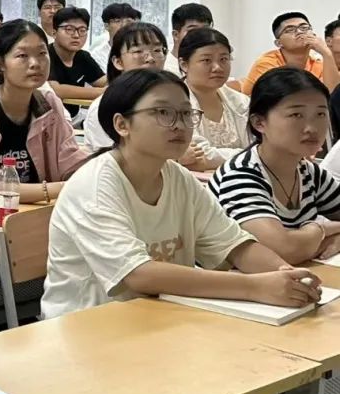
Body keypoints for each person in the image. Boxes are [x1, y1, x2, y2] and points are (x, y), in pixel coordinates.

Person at [41, 68, 320, 320]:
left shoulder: (177, 177)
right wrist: (254, 287)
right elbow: (137, 274)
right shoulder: (94, 184)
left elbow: (235, 245)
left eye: (186, 114)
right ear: (122, 125)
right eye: (163, 113)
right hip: (90, 328)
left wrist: (288, 276)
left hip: (161, 316)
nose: (179, 124)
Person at [209, 68, 340, 265]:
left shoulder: (309, 172)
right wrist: (320, 230)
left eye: (320, 114)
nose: (312, 128)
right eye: (296, 115)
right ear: (259, 122)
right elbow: (283, 251)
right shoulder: (240, 174)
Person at [0, 21, 88, 201]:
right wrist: (58, 189)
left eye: (42, 53)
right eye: (22, 56)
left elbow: (70, 162)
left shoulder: (49, 104)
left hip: (37, 210)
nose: (35, 63)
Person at [82, 22, 169, 152]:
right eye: (138, 51)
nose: (150, 58)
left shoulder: (171, 98)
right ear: (118, 62)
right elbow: (112, 158)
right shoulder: (105, 107)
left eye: (157, 50)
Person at [178, 28, 250, 168]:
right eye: (206, 60)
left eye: (223, 59)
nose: (217, 67)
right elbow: (197, 153)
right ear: (184, 64)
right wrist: (247, 155)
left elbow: (260, 148)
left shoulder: (241, 102)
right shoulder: (173, 103)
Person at [244, 12, 340, 93]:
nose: (299, 32)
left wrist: (326, 53)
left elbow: (333, 95)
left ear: (313, 34)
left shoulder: (317, 64)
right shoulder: (267, 63)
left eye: (304, 28)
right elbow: (283, 97)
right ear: (278, 43)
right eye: (290, 30)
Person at [46, 6, 106, 117]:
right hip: (47, 118)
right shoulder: (45, 55)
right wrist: (102, 92)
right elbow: (56, 89)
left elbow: (103, 81)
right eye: (69, 29)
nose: (76, 35)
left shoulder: (83, 56)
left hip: (73, 117)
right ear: (54, 32)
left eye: (82, 30)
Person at [164, 2, 214, 74]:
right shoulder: (163, 68)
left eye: (205, 30)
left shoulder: (214, 66)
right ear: (176, 35)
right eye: (193, 30)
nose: (201, 35)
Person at [89, 3, 142, 70]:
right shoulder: (96, 56)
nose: (124, 25)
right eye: (117, 21)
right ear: (106, 26)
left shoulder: (142, 51)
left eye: (128, 21)